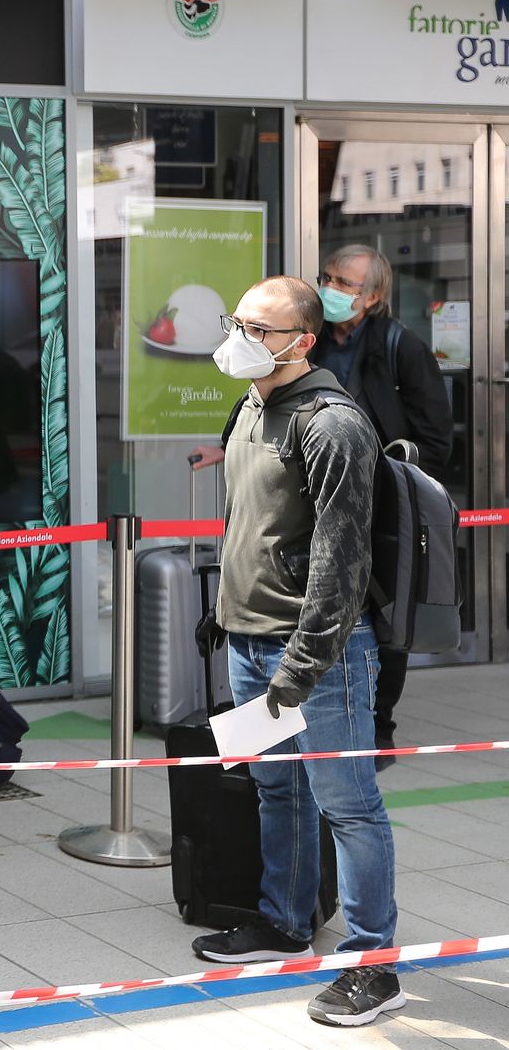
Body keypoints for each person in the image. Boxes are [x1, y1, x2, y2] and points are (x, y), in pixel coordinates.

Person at [188, 276, 401, 1028]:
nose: (240, 336)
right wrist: (224, 616)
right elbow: (251, 523)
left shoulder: (331, 421)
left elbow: (341, 563)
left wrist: (300, 669)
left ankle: (374, 965)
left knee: (348, 806)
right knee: (278, 790)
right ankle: (283, 922)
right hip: (251, 641)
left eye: (259, 327)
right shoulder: (252, 405)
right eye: (236, 320)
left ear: (303, 342)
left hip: (318, 656)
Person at [193, 246, 451, 765]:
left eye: (346, 283)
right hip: (259, 622)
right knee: (278, 790)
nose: (332, 288)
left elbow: (431, 438)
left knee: (346, 798)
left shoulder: (396, 350)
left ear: (373, 297)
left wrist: (386, 480)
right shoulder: (258, 396)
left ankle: (377, 730)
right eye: (327, 277)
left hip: (354, 514)